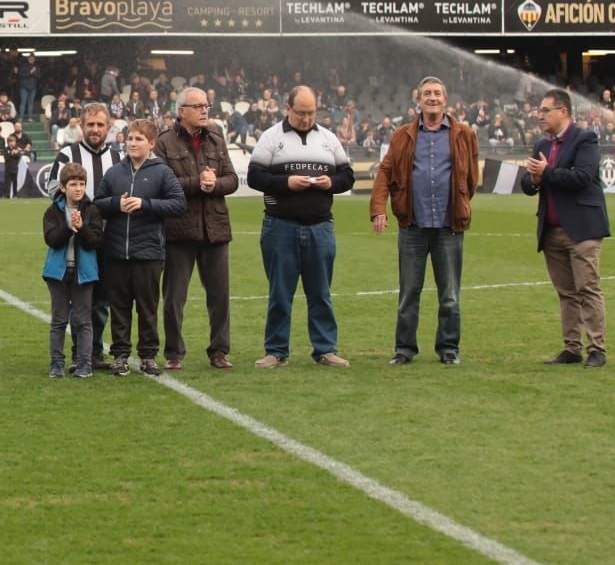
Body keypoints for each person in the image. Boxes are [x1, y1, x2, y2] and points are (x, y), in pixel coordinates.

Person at [370, 77, 480, 366]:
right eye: (426, 93)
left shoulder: (463, 134)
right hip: (413, 227)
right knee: (408, 293)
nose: (432, 97)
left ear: (446, 100)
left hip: (449, 228)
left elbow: (472, 180)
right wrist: (378, 208)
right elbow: (385, 172)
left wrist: (461, 203)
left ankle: (448, 349)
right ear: (417, 100)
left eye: (437, 93)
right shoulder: (403, 135)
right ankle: (404, 349)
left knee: (450, 296)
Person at [246, 86, 355, 368]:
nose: (306, 118)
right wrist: (287, 183)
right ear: (287, 108)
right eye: (301, 112)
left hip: (321, 227)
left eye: (311, 112)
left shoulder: (329, 138)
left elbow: (347, 176)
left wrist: (331, 183)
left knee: (321, 293)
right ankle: (276, 351)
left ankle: (325, 349)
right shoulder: (271, 137)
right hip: (280, 226)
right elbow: (255, 177)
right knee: (280, 293)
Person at [523, 88, 611, 368]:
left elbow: (583, 178)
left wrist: (545, 173)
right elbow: (527, 185)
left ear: (563, 112)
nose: (540, 115)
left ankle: (596, 348)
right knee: (566, 292)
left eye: (545, 110)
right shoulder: (541, 145)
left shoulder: (585, 139)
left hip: (582, 230)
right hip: (551, 232)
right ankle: (572, 348)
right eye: (539, 111)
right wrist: (536, 179)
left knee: (588, 289)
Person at [94, 120, 186, 376]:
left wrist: (146, 204)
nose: (133, 143)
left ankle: (148, 356)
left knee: (147, 308)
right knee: (119, 307)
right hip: (115, 253)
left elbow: (178, 204)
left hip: (148, 253)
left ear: (151, 144)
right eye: (130, 138)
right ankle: (120, 355)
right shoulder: (114, 173)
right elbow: (98, 204)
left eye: (139, 139)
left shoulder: (162, 172)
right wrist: (116, 204)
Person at [156, 88, 239, 371]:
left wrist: (215, 185)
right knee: (174, 297)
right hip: (179, 230)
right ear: (181, 111)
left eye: (207, 105)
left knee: (220, 296)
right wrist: (196, 183)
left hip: (215, 228)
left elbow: (232, 180)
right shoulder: (164, 143)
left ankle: (219, 351)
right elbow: (161, 184)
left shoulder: (216, 139)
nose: (205, 110)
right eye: (198, 106)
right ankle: (174, 353)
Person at [46, 102, 120, 368]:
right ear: (81, 125)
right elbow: (53, 187)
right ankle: (80, 353)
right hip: (75, 239)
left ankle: (93, 353)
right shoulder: (68, 153)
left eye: (101, 124)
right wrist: (83, 208)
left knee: (100, 301)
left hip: (105, 239)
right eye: (91, 124)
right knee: (77, 302)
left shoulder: (117, 158)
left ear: (109, 128)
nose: (95, 129)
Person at [43, 163, 105, 379]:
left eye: (82, 184)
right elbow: (51, 239)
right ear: (62, 187)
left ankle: (84, 364)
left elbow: (95, 241)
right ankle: (56, 364)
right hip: (57, 273)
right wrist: (69, 227)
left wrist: (82, 229)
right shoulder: (53, 211)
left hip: (84, 273)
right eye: (73, 184)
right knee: (59, 320)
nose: (78, 188)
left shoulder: (92, 210)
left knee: (83, 320)